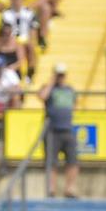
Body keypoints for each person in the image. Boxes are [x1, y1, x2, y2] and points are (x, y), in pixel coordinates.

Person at [38, 65, 81, 200]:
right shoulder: (49, 88)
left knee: (72, 161)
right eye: (58, 74)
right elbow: (42, 96)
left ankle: (70, 188)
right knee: (51, 162)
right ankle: (51, 189)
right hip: (52, 130)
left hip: (67, 129)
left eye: (62, 74)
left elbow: (75, 105)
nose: (60, 77)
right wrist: (51, 82)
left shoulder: (70, 90)